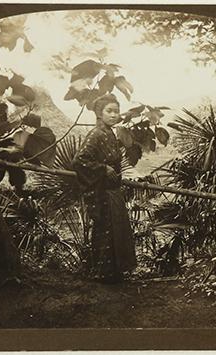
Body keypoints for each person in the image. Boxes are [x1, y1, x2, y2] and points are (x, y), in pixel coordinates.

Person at [72, 94, 136, 283]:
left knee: (116, 230)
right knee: (105, 231)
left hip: (113, 191)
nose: (114, 115)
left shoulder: (109, 133)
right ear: (99, 113)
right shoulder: (97, 134)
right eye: (109, 111)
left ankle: (114, 274)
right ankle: (103, 276)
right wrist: (103, 168)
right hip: (102, 193)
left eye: (116, 111)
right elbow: (79, 160)